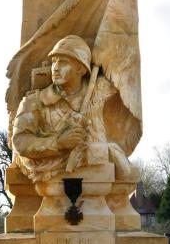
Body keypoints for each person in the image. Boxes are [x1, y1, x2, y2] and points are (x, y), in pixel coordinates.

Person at [12, 35, 132, 183]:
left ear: (81, 69)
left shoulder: (97, 91)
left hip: (97, 179)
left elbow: (124, 73)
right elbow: (20, 142)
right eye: (54, 62)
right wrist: (58, 143)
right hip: (49, 176)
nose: (55, 68)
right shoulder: (33, 101)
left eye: (63, 63)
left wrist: (108, 49)